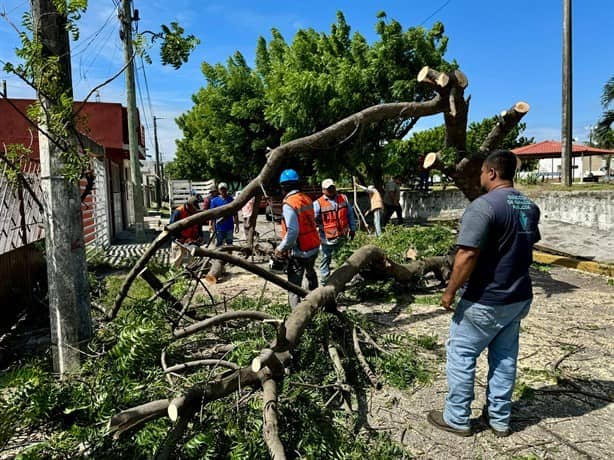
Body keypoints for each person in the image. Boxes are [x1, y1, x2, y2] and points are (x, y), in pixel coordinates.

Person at [427, 150, 541, 438]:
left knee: (462, 355)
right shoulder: (529, 206)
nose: (479, 177)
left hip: (485, 299)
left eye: (481, 172)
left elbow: (467, 253)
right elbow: (526, 244)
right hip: (517, 297)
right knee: (504, 358)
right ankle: (500, 419)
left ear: (491, 173)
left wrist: (449, 292)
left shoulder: (483, 206)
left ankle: (457, 418)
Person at [274, 169, 320, 308]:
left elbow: (293, 231)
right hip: (313, 245)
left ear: (284, 186)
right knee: (310, 273)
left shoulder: (289, 204)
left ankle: (297, 315)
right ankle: (316, 303)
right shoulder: (306, 198)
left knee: (294, 287)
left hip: (299, 250)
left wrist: (280, 248)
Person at [313, 178, 356, 285]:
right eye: (329, 188)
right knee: (324, 262)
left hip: (342, 237)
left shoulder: (343, 198)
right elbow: (312, 221)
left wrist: (353, 228)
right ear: (323, 190)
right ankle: (325, 284)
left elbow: (350, 214)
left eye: (333, 187)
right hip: (326, 240)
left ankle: (343, 283)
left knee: (343, 260)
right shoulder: (318, 203)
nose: (331, 190)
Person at [169, 195, 203, 267]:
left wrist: (200, 235)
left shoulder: (196, 211)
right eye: (193, 209)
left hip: (192, 239)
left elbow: (199, 225)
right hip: (179, 239)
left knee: (193, 258)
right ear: (188, 206)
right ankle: (173, 272)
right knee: (177, 257)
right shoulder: (178, 212)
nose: (194, 211)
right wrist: (178, 237)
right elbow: (172, 227)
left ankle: (191, 272)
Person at [209, 182, 239, 247]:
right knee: (219, 245)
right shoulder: (214, 201)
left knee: (229, 245)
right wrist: (210, 225)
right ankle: (218, 257)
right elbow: (211, 215)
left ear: (227, 189)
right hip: (219, 228)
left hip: (229, 227)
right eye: (221, 189)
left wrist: (237, 225)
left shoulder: (231, 200)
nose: (223, 190)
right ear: (219, 190)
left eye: (224, 189)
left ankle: (229, 257)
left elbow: (235, 213)